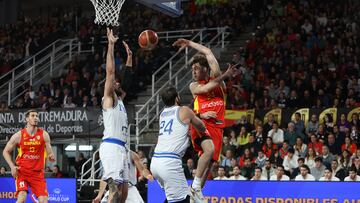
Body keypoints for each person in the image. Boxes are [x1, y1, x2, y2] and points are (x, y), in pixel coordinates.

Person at [173, 38, 234, 202]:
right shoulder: (194, 86)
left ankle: (196, 193)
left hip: (218, 127)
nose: (194, 71)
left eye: (197, 68)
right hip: (201, 124)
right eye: (192, 69)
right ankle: (194, 187)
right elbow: (207, 88)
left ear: (206, 69)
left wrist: (190, 43)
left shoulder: (219, 83)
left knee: (210, 164)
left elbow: (208, 52)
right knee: (208, 152)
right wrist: (202, 115)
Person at [150, 85, 227, 203]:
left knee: (175, 197)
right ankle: (195, 188)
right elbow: (201, 126)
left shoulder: (162, 114)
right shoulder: (184, 110)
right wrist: (203, 123)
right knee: (184, 200)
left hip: (155, 163)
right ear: (177, 98)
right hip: (170, 163)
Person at [99, 28, 133, 203]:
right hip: (111, 147)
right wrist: (111, 45)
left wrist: (130, 59)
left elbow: (127, 79)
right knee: (114, 193)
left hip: (122, 149)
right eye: (115, 83)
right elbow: (110, 73)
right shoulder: (109, 99)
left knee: (124, 193)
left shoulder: (120, 100)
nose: (117, 83)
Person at [2, 109, 55, 203]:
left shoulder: (44, 134)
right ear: (27, 119)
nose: (36, 118)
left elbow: (49, 151)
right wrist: (12, 167)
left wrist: (51, 155)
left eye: (37, 116)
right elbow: (5, 151)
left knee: (44, 201)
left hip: (38, 174)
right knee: (22, 198)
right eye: (33, 116)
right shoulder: (18, 135)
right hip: (22, 172)